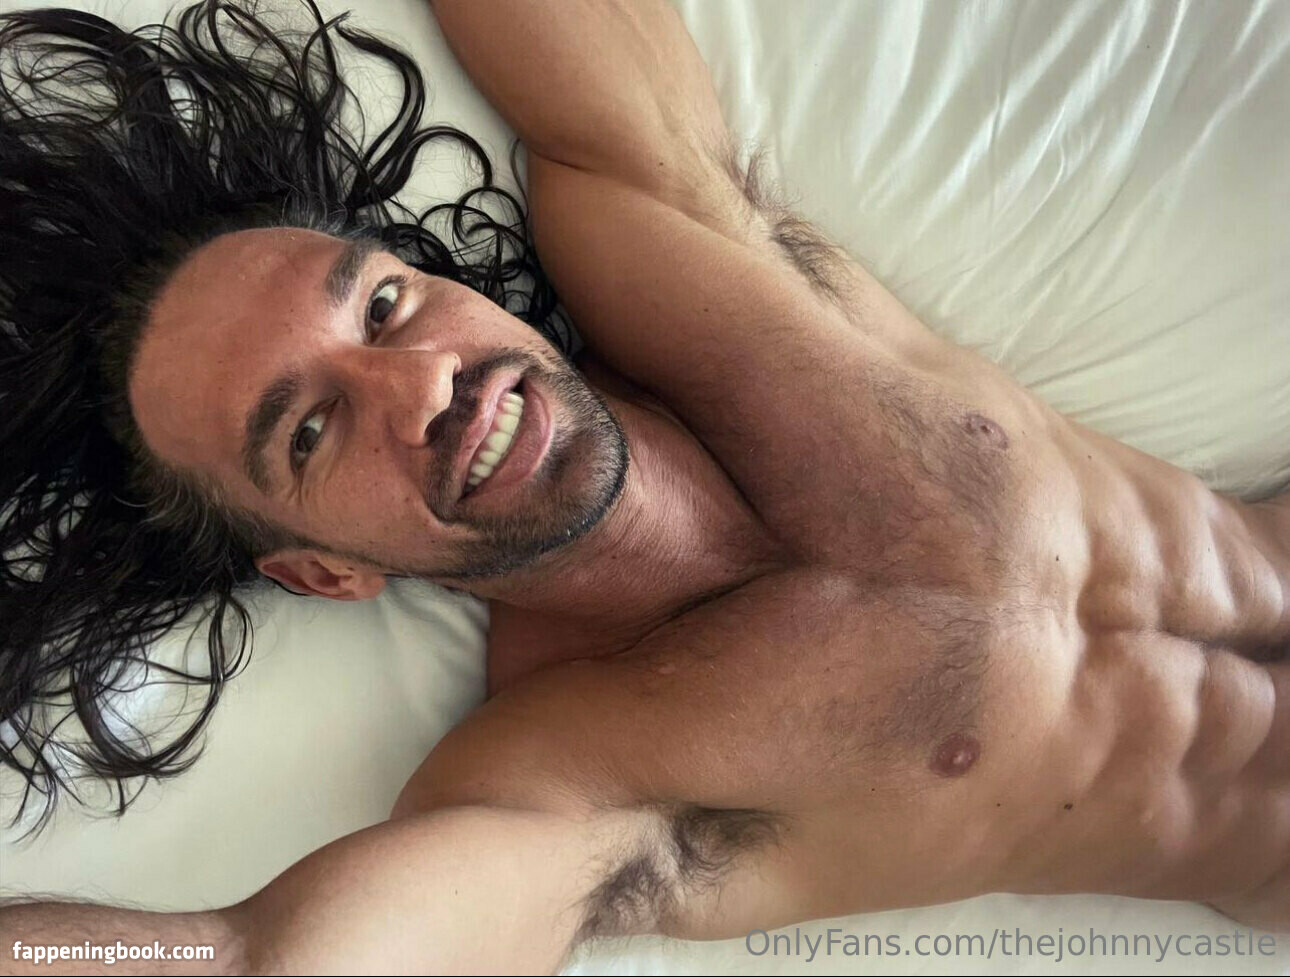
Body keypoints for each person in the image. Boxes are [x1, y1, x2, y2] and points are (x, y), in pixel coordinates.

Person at [3, 0, 1290, 973]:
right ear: (324, 570)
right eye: (311, 431)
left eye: (384, 305)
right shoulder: (574, 767)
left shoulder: (684, 265)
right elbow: (256, 958)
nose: (425, 384)